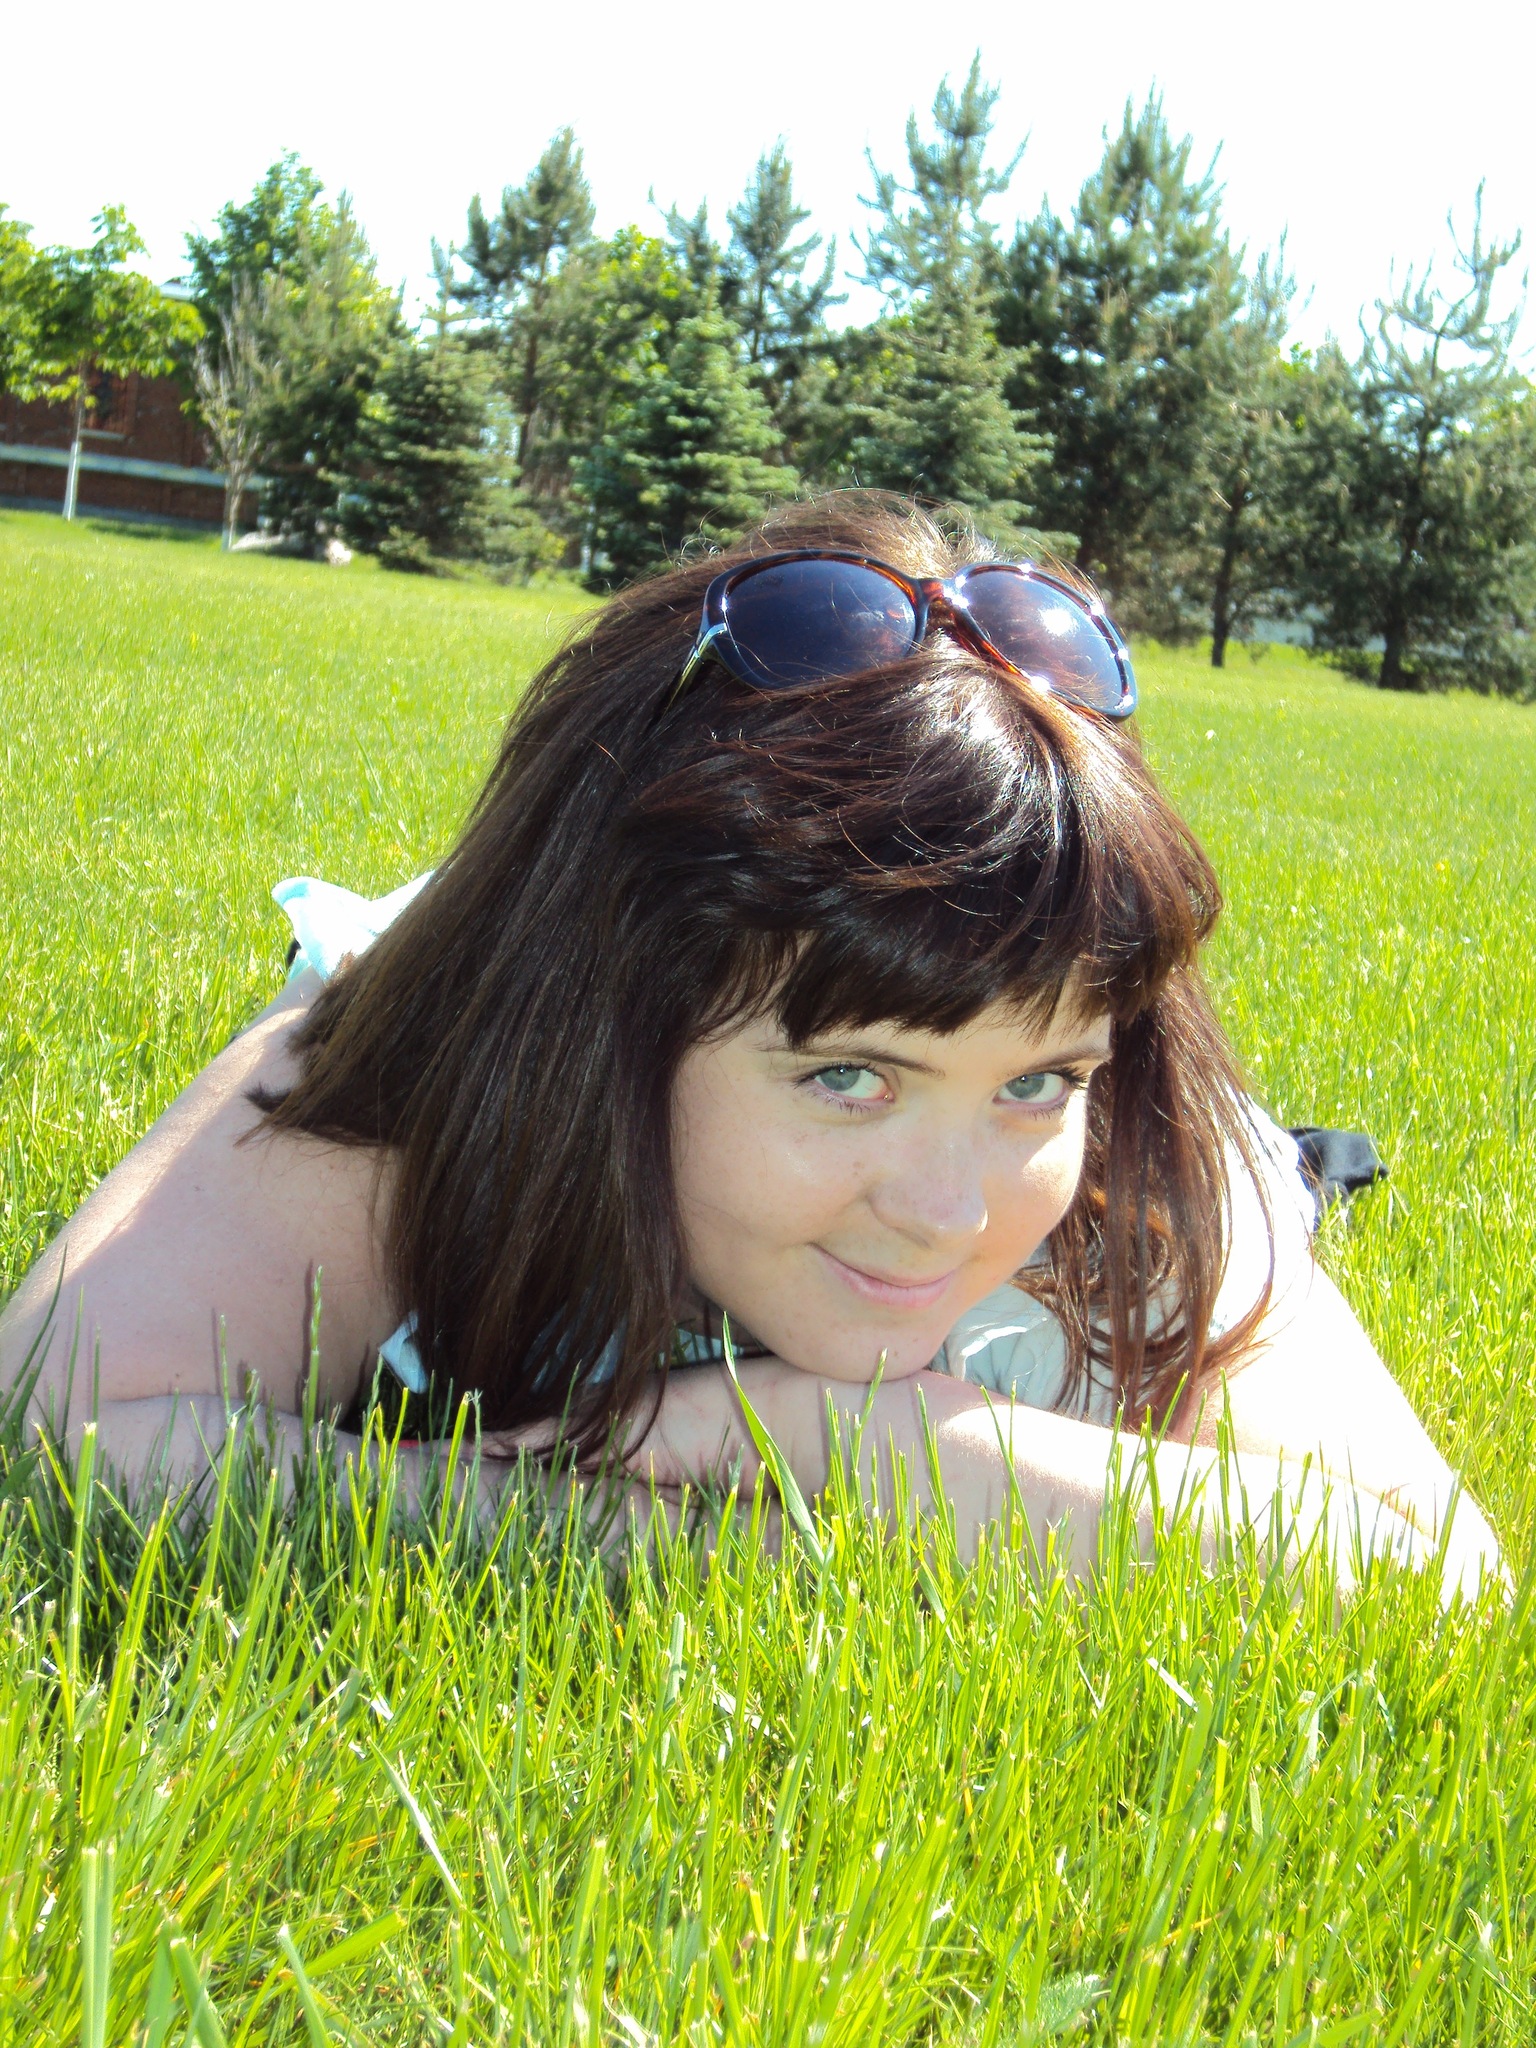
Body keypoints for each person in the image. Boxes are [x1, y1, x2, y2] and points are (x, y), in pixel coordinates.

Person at [0, 494, 1500, 1594]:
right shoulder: (438, 1058)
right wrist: (660, 1533)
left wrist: (881, 1445)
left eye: (1036, 1081)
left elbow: (1436, 1584)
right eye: (850, 1076)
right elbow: (52, 1426)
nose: (950, 1210)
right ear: (608, 1015)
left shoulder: (1142, 1143)